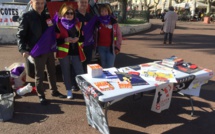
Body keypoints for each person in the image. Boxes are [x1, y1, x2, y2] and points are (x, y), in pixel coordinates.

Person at [17, 0, 66, 105]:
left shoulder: (46, 16)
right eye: (37, 3)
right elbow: (20, 34)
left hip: (48, 49)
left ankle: (54, 91)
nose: (40, 6)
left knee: (52, 71)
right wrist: (23, 49)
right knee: (39, 74)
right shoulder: (27, 16)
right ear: (31, 3)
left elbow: (52, 31)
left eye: (41, 3)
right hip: (37, 50)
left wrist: (59, 22)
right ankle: (41, 95)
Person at [55, 5, 84, 99]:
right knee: (66, 72)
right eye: (67, 13)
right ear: (63, 13)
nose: (69, 15)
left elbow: (83, 37)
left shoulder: (78, 24)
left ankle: (84, 90)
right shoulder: (58, 25)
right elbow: (55, 40)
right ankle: (69, 90)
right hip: (64, 53)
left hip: (76, 52)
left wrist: (77, 39)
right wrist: (65, 40)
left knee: (80, 72)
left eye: (71, 13)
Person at [76, 0, 94, 73]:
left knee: (87, 65)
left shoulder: (90, 16)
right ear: (78, 3)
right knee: (77, 67)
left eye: (85, 2)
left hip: (88, 45)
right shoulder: (73, 15)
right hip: (77, 45)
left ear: (87, 4)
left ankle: (85, 83)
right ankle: (76, 83)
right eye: (81, 2)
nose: (83, 4)